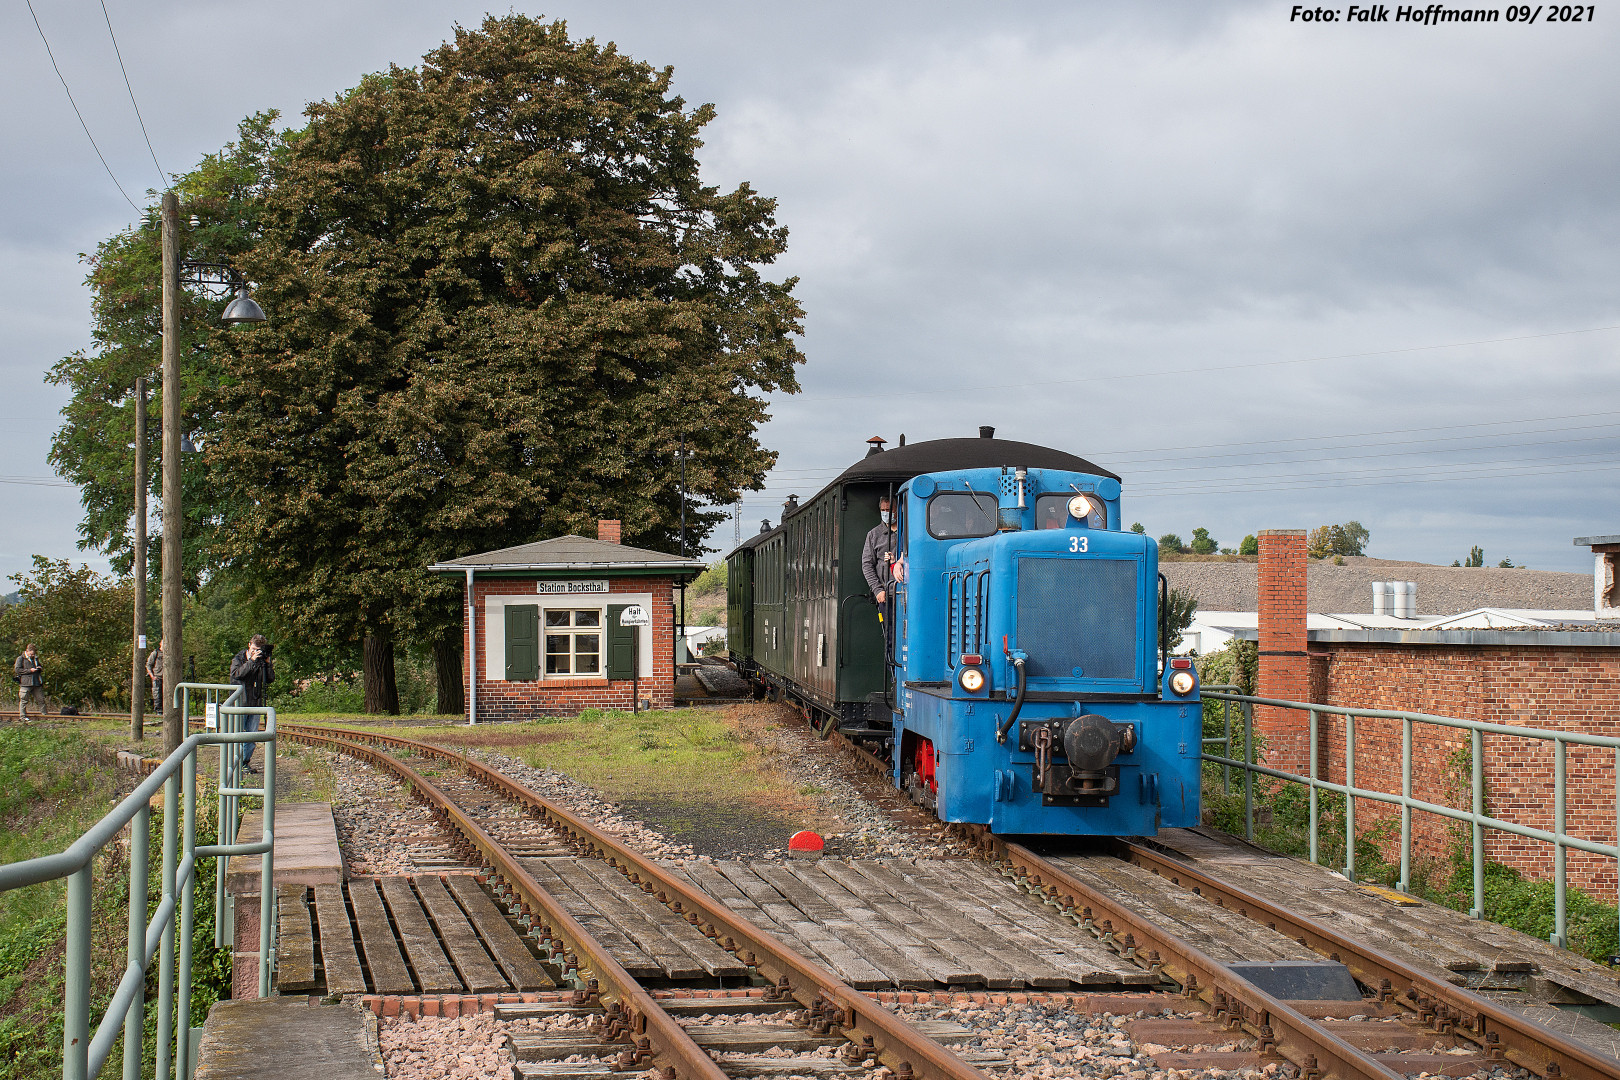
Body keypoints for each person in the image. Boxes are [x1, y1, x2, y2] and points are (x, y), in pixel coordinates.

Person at [229, 635, 275, 773]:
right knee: (238, 734)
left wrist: (267, 663)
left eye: (258, 650)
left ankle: (244, 762)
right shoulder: (239, 659)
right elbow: (236, 674)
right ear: (249, 645)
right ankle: (234, 763)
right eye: (254, 649)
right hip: (240, 703)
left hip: (255, 702)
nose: (256, 652)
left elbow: (270, 679)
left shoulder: (262, 661)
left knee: (252, 735)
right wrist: (251, 662)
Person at [13, 644, 46, 720]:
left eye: (33, 654)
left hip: (36, 682)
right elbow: (17, 670)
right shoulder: (20, 658)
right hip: (25, 683)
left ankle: (45, 715)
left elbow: (40, 666)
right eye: (31, 654)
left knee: (41, 699)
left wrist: (39, 668)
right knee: (24, 700)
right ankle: (22, 716)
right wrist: (29, 670)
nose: (32, 655)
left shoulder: (35, 658)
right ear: (27, 651)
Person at [145, 639, 164, 712]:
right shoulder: (155, 653)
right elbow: (148, 665)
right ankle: (158, 710)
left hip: (166, 679)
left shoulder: (169, 654)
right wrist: (152, 676)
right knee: (157, 694)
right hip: (157, 677)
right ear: (160, 643)